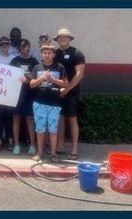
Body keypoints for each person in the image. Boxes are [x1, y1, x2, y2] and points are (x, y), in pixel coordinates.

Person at [29, 44, 68, 162]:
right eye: (44, 53)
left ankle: (53, 154)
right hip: (39, 103)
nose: (47, 55)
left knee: (53, 130)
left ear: (54, 55)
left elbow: (66, 83)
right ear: (41, 55)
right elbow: (31, 84)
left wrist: (53, 80)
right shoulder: (37, 67)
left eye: (49, 53)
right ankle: (40, 153)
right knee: (40, 130)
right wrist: (42, 78)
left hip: (54, 105)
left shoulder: (59, 67)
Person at [54, 28, 86, 160]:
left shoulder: (77, 53)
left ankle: (74, 149)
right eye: (60, 37)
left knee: (72, 118)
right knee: (60, 118)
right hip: (57, 92)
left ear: (69, 39)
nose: (62, 39)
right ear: (57, 40)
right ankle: (60, 146)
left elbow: (79, 75)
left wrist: (66, 89)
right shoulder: (55, 53)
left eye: (65, 37)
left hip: (72, 92)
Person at [9, 39, 40, 155]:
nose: (24, 49)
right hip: (16, 95)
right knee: (16, 118)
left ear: (29, 47)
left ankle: (32, 145)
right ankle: (16, 145)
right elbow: (9, 77)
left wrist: (28, 80)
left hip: (30, 95)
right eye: (22, 47)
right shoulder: (14, 61)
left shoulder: (34, 62)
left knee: (30, 119)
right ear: (19, 49)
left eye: (26, 47)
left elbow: (38, 78)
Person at [0, 36, 15, 150]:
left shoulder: (14, 58)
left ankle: (10, 141)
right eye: (2, 44)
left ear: (9, 45)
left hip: (10, 93)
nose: (5, 46)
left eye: (7, 44)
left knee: (9, 118)